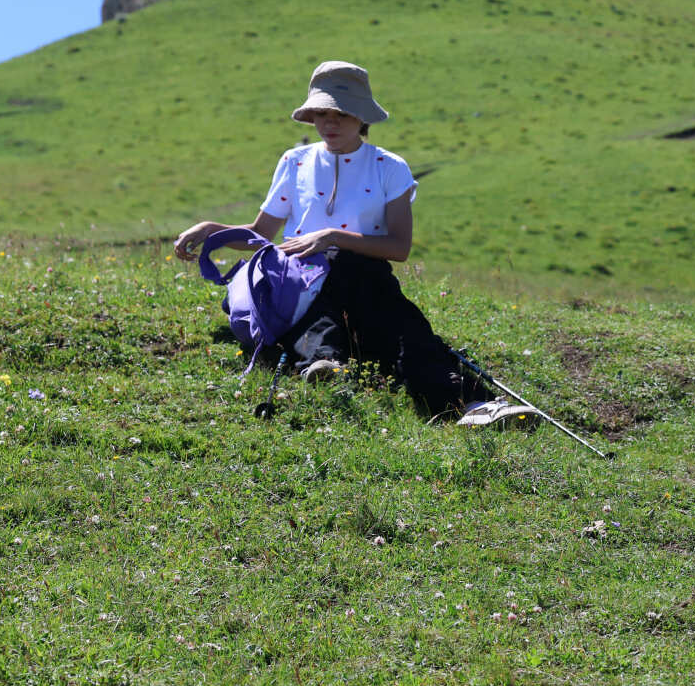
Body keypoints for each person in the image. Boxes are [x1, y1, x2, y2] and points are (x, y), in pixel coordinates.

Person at [173, 60, 487, 419]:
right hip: (298, 278)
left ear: (362, 118)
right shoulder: (295, 161)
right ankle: (331, 364)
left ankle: (467, 404)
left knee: (404, 329)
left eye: (341, 113)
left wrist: (334, 236)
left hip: (365, 277)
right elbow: (260, 236)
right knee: (391, 326)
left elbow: (398, 248)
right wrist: (211, 229)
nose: (329, 123)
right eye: (321, 114)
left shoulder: (390, 167)